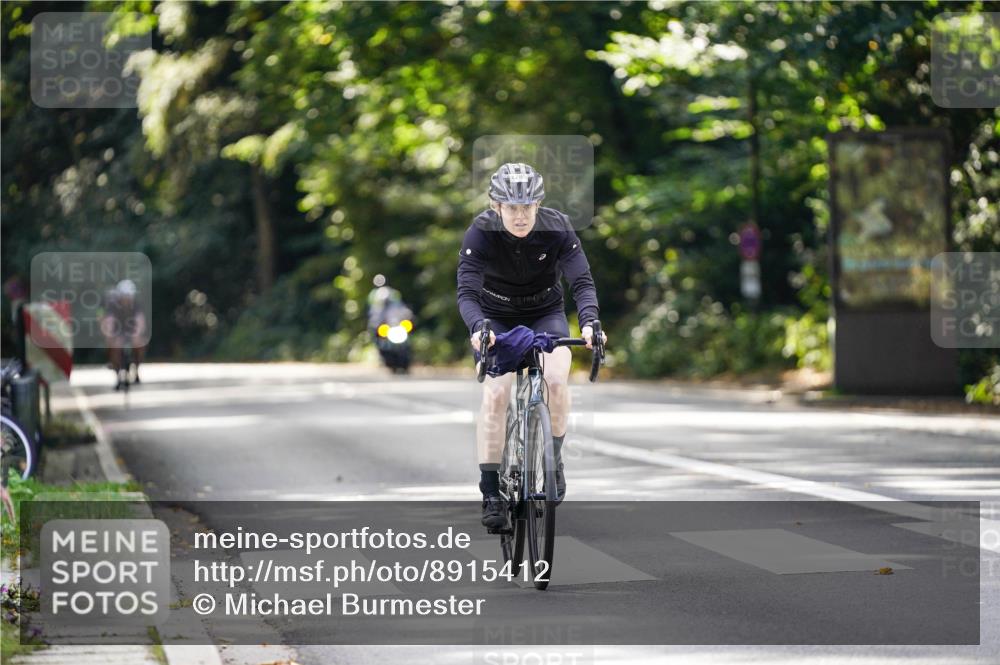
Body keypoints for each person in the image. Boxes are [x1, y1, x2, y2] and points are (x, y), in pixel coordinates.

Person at [457, 162, 607, 529]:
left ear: (538, 204)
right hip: (495, 317)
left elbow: (582, 282)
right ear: (497, 207)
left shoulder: (557, 227)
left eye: (527, 207)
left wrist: (590, 323)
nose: (520, 215)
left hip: (545, 313)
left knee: (556, 380)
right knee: (496, 395)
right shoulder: (481, 232)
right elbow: (467, 293)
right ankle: (491, 491)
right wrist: (478, 328)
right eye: (512, 207)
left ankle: (553, 463)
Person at [100, 279, 147, 390]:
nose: (127, 299)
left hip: (132, 330)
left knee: (140, 344)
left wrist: (137, 333)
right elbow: (109, 321)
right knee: (114, 347)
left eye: (129, 296)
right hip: (117, 331)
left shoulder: (136, 305)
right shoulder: (113, 305)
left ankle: (136, 370)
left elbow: (140, 320)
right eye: (125, 296)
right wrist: (109, 335)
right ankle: (117, 374)